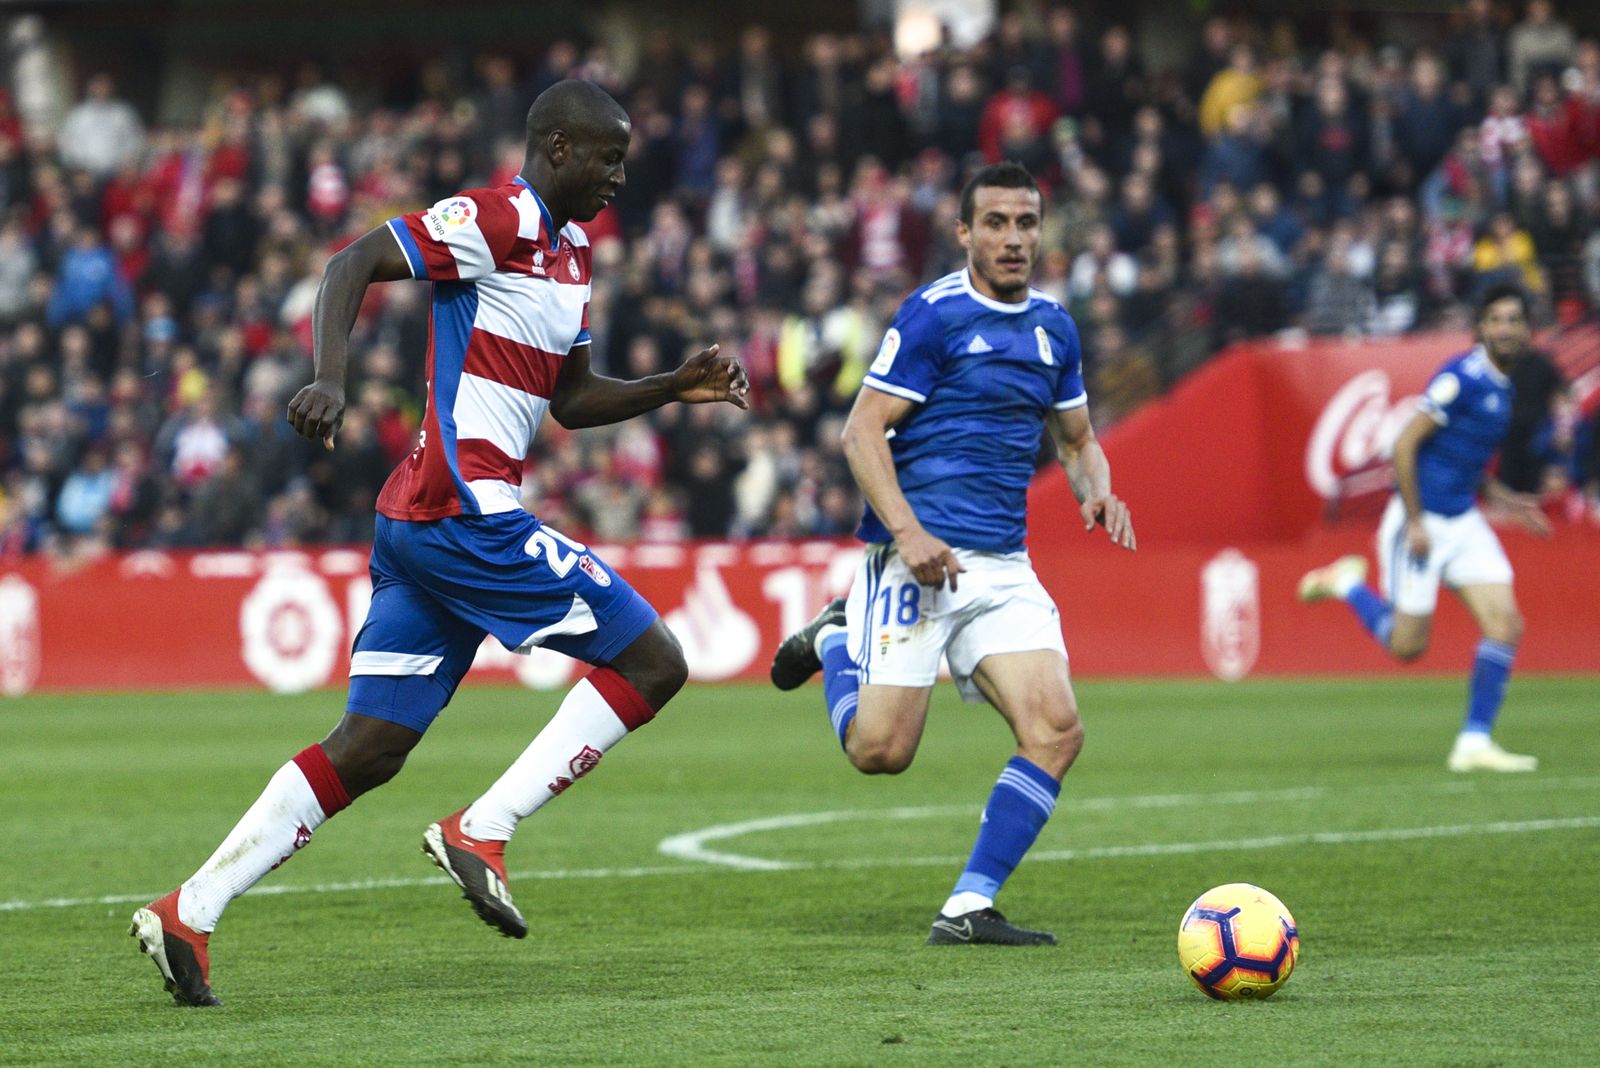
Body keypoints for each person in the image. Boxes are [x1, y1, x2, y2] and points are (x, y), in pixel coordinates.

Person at [129, 80, 749, 1007]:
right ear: (558, 149)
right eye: (609, 157)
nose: (622, 175)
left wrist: (670, 387)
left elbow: (570, 401)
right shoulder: (495, 217)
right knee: (654, 660)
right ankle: (483, 828)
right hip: (469, 514)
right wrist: (330, 378)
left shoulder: (573, 254)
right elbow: (350, 262)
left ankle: (190, 909)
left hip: (423, 525)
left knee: (371, 745)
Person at [768, 162, 1136, 947]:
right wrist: (908, 534)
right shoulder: (933, 317)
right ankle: (836, 640)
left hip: (1000, 566)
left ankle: (969, 906)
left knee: (1057, 730)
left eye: (1027, 223)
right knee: (881, 752)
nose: (1014, 239)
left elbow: (1077, 441)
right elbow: (861, 431)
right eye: (996, 223)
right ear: (964, 232)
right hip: (914, 560)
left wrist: (1096, 489)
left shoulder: (1054, 330)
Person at [1298, 283, 1550, 773]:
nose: (1505, 328)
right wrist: (1414, 522)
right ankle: (1348, 584)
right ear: (1481, 328)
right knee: (1408, 648)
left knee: (1506, 624)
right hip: (1420, 523)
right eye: (1495, 319)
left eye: (1513, 320)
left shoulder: (1503, 386)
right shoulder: (1463, 378)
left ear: (1526, 329)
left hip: (1462, 520)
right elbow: (1405, 444)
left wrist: (1507, 500)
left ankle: (1474, 742)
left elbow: (1465, 461)